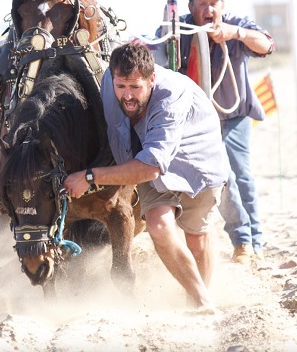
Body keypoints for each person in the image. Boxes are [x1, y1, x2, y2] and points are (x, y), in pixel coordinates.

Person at [63, 43, 230, 313]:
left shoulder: (170, 97)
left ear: (151, 79)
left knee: (196, 238)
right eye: (121, 87)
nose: (127, 96)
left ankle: (197, 298)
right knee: (159, 226)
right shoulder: (109, 78)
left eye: (135, 87)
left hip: (196, 163)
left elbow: (151, 167)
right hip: (145, 158)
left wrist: (90, 176)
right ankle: (203, 302)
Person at [176, 0, 276, 265]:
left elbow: (267, 44)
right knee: (223, 176)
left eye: (214, 4)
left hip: (234, 114)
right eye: (202, 4)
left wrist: (236, 34)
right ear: (191, 6)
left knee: (241, 175)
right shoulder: (179, 29)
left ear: (223, 7)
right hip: (197, 121)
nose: (208, 10)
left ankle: (253, 240)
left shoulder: (236, 24)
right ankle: (243, 239)